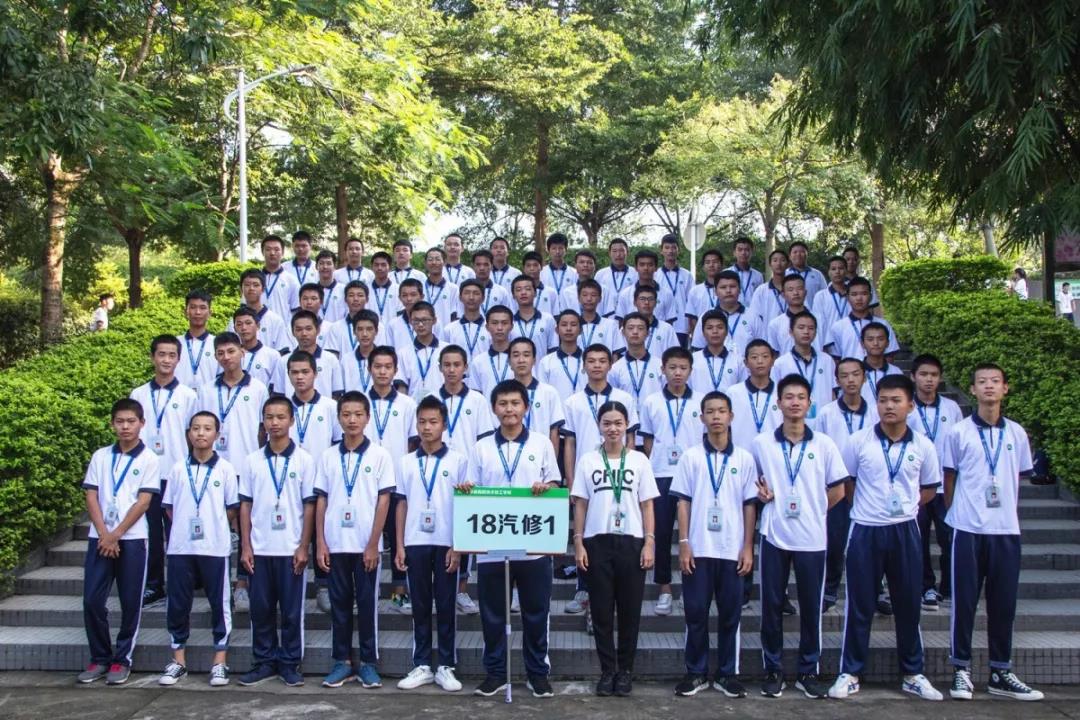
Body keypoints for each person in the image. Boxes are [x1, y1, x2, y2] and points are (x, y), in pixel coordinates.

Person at [828, 375, 943, 701]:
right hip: (865, 529)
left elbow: (928, 490)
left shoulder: (923, 445)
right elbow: (847, 484)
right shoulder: (858, 441)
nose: (889, 406)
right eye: (883, 401)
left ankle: (913, 673)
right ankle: (851, 672)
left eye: (896, 400)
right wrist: (871, 508)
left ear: (910, 405)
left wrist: (903, 508)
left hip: (905, 530)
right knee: (860, 604)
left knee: (908, 604)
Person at [944, 364, 1044, 701]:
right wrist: (957, 513)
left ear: (1005, 388)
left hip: (1005, 530)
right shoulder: (958, 432)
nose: (989, 386)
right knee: (964, 603)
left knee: (1003, 604)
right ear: (972, 389)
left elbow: (1019, 477)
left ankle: (1001, 671)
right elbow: (949, 478)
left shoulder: (1016, 433)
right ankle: (960, 669)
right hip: (968, 528)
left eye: (995, 381)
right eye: (982, 382)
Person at [462, 379, 562, 698]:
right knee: (493, 615)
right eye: (503, 403)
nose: (509, 409)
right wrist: (467, 489)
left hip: (533, 547)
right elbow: (471, 487)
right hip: (492, 547)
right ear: (494, 408)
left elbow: (555, 481)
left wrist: (547, 487)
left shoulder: (541, 443)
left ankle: (537, 674)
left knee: (536, 613)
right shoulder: (481, 447)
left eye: (515, 403)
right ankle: (495, 673)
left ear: (526, 407)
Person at [753, 374, 847, 699]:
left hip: (812, 538)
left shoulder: (824, 444)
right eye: (789, 397)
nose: (795, 402)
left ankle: (808, 670)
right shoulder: (762, 443)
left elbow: (838, 489)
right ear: (778, 403)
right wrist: (762, 495)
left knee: (810, 606)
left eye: (801, 397)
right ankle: (773, 669)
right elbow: (754, 484)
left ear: (810, 403)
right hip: (774, 534)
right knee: (771, 605)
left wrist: (815, 509)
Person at [671, 391, 757, 698]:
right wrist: (684, 543)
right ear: (702, 417)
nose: (716, 416)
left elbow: (749, 505)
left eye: (722, 411)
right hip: (699, 548)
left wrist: (747, 546)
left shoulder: (744, 458)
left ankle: (727, 674)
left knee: (731, 614)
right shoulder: (691, 457)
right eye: (710, 411)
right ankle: (696, 672)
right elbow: (683, 502)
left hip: (732, 549)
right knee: (695, 612)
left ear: (731, 416)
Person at [572, 401, 658, 697]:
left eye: (618, 423)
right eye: (607, 423)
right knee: (601, 611)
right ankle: (607, 671)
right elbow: (581, 504)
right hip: (597, 541)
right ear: (599, 426)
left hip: (631, 541)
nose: (612, 429)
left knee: (630, 611)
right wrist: (578, 541)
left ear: (627, 425)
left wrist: (649, 541)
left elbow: (647, 505)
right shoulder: (588, 461)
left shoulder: (639, 460)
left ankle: (626, 671)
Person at [76, 398, 161, 686]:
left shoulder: (149, 459)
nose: (125, 427)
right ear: (112, 424)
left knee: (130, 601)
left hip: (133, 539)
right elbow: (91, 495)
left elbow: (144, 502)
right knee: (92, 600)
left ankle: (122, 659)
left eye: (131, 421)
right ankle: (100, 657)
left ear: (142, 424)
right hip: (99, 539)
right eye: (120, 421)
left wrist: (116, 534)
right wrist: (104, 533)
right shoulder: (101, 456)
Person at [314, 391, 396, 689]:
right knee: (339, 605)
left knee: (367, 604)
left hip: (365, 545)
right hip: (336, 543)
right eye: (346, 414)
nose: (352, 420)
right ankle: (342, 662)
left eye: (358, 414)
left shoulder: (380, 455)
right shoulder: (327, 456)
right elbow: (321, 500)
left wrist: (373, 543)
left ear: (367, 417)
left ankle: (369, 663)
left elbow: (383, 501)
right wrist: (321, 542)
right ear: (338, 418)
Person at [237, 397, 316, 688]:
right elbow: (245, 505)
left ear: (291, 420)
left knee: (292, 612)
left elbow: (309, 506)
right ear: (263, 421)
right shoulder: (252, 460)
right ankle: (264, 661)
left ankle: (290, 662)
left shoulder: (305, 460)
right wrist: (246, 546)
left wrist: (303, 546)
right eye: (269, 417)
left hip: (290, 548)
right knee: (261, 610)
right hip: (260, 548)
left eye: (281, 417)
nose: (275, 423)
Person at [157, 411, 238, 687]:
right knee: (178, 604)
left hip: (215, 548)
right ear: (188, 433)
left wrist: (213, 526)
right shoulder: (178, 469)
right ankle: (178, 661)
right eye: (196, 428)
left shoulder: (225, 469)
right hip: (181, 548)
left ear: (217, 434)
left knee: (220, 604)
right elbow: (169, 508)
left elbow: (231, 508)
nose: (201, 433)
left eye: (207, 428)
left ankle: (220, 661)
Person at [394, 396, 468, 692]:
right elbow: (401, 504)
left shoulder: (458, 460)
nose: (427, 427)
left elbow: (464, 505)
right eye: (422, 422)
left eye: (433, 422)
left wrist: (458, 545)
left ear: (444, 425)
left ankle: (446, 665)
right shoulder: (405, 462)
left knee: (447, 604)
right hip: (415, 541)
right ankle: (422, 664)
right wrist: (400, 545)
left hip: (446, 541)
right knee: (420, 604)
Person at [561, 344, 640, 616]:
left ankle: (615, 595)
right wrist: (571, 480)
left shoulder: (623, 398)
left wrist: (631, 470)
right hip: (588, 475)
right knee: (586, 534)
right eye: (591, 361)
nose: (596, 365)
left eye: (602, 361)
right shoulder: (573, 401)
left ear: (610, 365)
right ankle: (583, 590)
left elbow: (631, 438)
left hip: (619, 475)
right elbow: (570, 443)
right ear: (583, 366)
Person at [130, 335, 198, 607]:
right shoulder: (138, 394)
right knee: (151, 532)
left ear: (178, 360)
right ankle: (154, 584)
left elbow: (194, 437)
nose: (166, 360)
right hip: (146, 475)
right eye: (161, 354)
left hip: (177, 473)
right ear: (152, 357)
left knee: (177, 530)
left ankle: (181, 582)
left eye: (172, 355)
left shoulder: (188, 396)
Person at [638, 347, 702, 616]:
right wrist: (654, 467)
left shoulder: (700, 401)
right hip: (661, 475)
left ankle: (692, 588)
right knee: (662, 533)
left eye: (683, 368)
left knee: (693, 534)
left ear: (690, 371)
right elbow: (648, 440)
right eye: (672, 367)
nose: (677, 373)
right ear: (662, 369)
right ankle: (664, 588)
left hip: (693, 475)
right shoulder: (651, 402)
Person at [815, 358, 880, 612]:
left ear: (864, 377)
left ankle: (877, 590)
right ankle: (829, 590)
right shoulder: (827, 413)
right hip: (837, 485)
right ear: (837, 380)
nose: (850, 380)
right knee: (835, 540)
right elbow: (819, 447)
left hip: (869, 485)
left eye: (855, 374)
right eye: (844, 375)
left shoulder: (875, 411)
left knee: (872, 541)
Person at [434, 345, 489, 615]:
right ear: (440, 367)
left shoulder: (477, 400)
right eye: (447, 365)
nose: (452, 369)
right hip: (437, 471)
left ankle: (462, 590)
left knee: (465, 530)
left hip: (468, 474)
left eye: (457, 365)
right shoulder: (431, 398)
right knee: (440, 525)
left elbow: (484, 440)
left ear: (466, 367)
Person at [365, 346, 419, 613]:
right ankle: (368, 591)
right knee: (368, 537)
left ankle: (399, 594)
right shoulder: (360, 402)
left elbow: (412, 443)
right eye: (377, 366)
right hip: (365, 483)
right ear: (369, 369)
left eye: (388, 367)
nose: (383, 371)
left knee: (399, 538)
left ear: (396, 370)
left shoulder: (407, 404)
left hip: (397, 481)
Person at [907, 354, 963, 611]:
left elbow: (961, 444)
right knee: (918, 540)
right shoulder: (907, 408)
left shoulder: (951, 408)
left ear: (940, 378)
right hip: (916, 486)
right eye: (923, 374)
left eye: (934, 375)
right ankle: (925, 587)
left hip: (945, 486)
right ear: (913, 377)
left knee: (948, 537)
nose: (928, 380)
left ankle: (949, 587)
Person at [770, 311, 834, 427]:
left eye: (811, 328)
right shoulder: (781, 363)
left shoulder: (827, 360)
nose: (806, 332)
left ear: (816, 332)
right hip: (793, 422)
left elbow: (833, 392)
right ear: (791, 332)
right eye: (801, 327)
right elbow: (775, 395)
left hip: (824, 420)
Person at [508, 337, 565, 448]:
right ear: (509, 361)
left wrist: (551, 457)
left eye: (526, 355)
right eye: (516, 355)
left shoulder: (549, 392)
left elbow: (554, 431)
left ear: (534, 360)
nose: (521, 360)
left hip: (540, 453)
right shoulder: (503, 394)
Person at [825, 278, 899, 360]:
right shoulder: (838, 327)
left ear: (870, 297)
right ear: (847, 298)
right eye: (854, 294)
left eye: (864, 294)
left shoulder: (883, 324)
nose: (859, 298)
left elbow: (889, 356)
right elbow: (835, 359)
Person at [727, 340, 782, 450]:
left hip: (773, 454)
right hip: (741, 453)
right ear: (746, 362)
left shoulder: (781, 392)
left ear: (773, 361)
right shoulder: (733, 392)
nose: (760, 361)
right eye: (754, 357)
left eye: (765, 356)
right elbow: (726, 428)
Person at [690, 270, 761, 355]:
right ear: (715, 292)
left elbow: (762, 348)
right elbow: (698, 349)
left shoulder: (752, 316)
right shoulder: (706, 316)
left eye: (732, 286)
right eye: (723, 287)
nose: (728, 291)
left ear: (739, 290)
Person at [282, 311, 344, 399]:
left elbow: (337, 394)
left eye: (308, 329)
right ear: (293, 332)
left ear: (318, 330)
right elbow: (279, 395)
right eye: (299, 329)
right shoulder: (283, 361)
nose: (304, 333)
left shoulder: (331, 359)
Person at [610, 312, 665, 406]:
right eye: (630, 328)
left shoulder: (659, 365)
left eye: (640, 328)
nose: (635, 332)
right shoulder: (615, 368)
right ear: (623, 332)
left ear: (648, 333)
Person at [231, 269, 290, 351]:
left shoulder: (276, 320)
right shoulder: (234, 321)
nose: (251, 288)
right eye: (247, 285)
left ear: (263, 289)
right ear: (241, 289)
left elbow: (282, 352)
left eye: (256, 285)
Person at [396, 301, 445, 400]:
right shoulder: (403, 353)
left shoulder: (446, 350)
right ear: (410, 321)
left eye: (425, 320)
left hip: (442, 404)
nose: (420, 324)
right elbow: (402, 386)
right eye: (416, 320)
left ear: (434, 320)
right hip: (414, 406)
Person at [615, 250, 676, 327]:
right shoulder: (625, 294)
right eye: (642, 264)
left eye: (650, 265)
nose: (646, 268)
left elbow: (669, 324)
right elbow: (621, 323)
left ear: (656, 268)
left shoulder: (667, 294)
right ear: (636, 268)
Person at [766, 275, 823, 355]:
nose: (795, 293)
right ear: (783, 295)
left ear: (805, 292)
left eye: (799, 289)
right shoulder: (775, 324)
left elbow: (826, 348)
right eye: (790, 290)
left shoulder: (820, 319)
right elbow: (774, 354)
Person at [689, 309, 743, 394]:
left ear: (726, 332)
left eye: (720, 327)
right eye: (709, 328)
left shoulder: (738, 361)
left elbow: (742, 390)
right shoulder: (692, 360)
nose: (715, 331)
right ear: (703, 332)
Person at [233, 306, 284, 394]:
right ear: (234, 329)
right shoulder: (231, 356)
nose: (244, 328)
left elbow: (276, 387)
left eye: (248, 323)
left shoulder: (272, 355)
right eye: (239, 324)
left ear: (258, 326)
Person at [468, 305, 515, 398]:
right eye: (494, 323)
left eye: (504, 323)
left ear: (511, 326)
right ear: (487, 327)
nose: (499, 328)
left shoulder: (520, 359)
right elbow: (475, 396)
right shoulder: (478, 361)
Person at [537, 310, 584, 399]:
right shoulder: (546, 362)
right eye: (564, 325)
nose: (568, 329)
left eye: (573, 325)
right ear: (556, 330)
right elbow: (542, 394)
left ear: (580, 330)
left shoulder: (589, 360)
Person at [176, 290, 218, 388]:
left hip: (210, 396)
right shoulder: (175, 344)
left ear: (210, 313)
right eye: (193, 307)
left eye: (202, 308)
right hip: (179, 396)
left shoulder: (217, 344)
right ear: (186, 312)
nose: (198, 312)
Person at [442, 279, 491, 357]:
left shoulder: (490, 329)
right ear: (460, 297)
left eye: (476, 293)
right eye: (467, 293)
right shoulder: (449, 329)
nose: (471, 297)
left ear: (483, 298)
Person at [659, 233, 693, 344]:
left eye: (674, 247)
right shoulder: (655, 275)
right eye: (667, 247)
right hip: (660, 323)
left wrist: (691, 325)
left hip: (682, 325)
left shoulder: (687, 275)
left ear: (678, 250)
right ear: (661, 250)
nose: (670, 251)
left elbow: (691, 302)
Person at [685, 248, 725, 340]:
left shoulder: (728, 289)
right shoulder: (695, 291)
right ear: (703, 267)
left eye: (715, 262)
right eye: (707, 262)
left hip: (725, 337)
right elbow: (692, 319)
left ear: (722, 265)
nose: (711, 265)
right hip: (701, 338)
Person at [810, 256, 851, 345]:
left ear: (846, 271)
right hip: (829, 343)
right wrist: (823, 345)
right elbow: (819, 323)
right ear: (828, 272)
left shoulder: (853, 294)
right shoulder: (821, 296)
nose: (837, 272)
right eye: (833, 269)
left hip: (851, 339)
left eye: (841, 268)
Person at [509, 275, 556, 352]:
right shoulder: (510, 322)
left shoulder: (548, 319)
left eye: (527, 289)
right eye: (518, 290)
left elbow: (553, 348)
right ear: (513, 295)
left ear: (535, 293)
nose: (523, 293)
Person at [860, 322, 904, 404]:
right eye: (870, 339)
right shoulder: (856, 372)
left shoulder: (896, 372)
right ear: (862, 344)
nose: (875, 343)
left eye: (880, 339)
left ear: (887, 343)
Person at [260, 234, 300, 321]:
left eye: (276, 249)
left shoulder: (291, 280)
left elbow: (296, 310)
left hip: (283, 328)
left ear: (282, 253)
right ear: (262, 252)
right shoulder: (254, 279)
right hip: (257, 327)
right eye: (268, 249)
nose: (272, 253)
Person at [575, 279, 623, 352]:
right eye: (585, 295)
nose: (589, 299)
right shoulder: (573, 325)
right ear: (578, 298)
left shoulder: (611, 325)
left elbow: (616, 353)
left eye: (593, 295)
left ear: (600, 298)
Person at [632, 284, 680, 356]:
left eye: (651, 299)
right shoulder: (628, 328)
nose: (646, 303)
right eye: (642, 299)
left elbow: (675, 354)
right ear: (635, 303)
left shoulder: (667, 329)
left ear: (656, 303)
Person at [340, 310, 380, 394]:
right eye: (360, 329)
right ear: (354, 332)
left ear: (376, 331)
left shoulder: (384, 359)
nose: (365, 334)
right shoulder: (346, 360)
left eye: (369, 329)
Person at [595, 238, 639, 316]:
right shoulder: (600, 274)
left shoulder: (636, 273)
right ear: (609, 253)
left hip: (630, 317)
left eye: (621, 251)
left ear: (627, 252)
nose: (618, 254)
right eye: (614, 251)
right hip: (606, 317)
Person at [422, 247, 461, 330]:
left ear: (444, 262)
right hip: (422, 331)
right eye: (430, 259)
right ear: (425, 263)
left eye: (438, 259)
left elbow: (455, 315)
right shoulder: (420, 287)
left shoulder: (453, 289)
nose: (434, 262)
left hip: (445, 333)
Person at [749, 250, 790, 327]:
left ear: (788, 264)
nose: (778, 263)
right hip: (767, 332)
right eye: (775, 260)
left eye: (782, 260)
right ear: (770, 264)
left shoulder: (793, 289)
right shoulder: (761, 290)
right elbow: (754, 315)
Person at [386, 278, 425, 350]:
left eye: (413, 295)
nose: (409, 299)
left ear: (422, 297)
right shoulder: (393, 324)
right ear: (399, 298)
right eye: (404, 295)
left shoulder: (432, 323)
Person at [519, 250, 560, 317]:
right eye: (528, 265)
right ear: (524, 268)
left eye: (535, 265)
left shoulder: (551, 292)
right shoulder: (519, 293)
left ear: (541, 267)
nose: (532, 268)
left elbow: (556, 316)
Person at [559, 249, 599, 315]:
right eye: (582, 262)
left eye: (589, 262)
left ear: (594, 266)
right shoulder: (567, 292)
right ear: (575, 266)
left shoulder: (604, 291)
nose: (585, 265)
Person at [314, 250, 348, 322]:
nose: (325, 267)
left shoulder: (344, 290)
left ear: (335, 266)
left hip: (338, 329)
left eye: (329, 263)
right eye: (321, 263)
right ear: (316, 266)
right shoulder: (312, 290)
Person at [728, 236, 763, 307]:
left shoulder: (758, 275)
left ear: (752, 252)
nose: (743, 253)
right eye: (740, 250)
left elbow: (760, 297)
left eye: (747, 250)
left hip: (753, 311)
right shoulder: (726, 273)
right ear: (734, 253)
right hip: (732, 310)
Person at [367, 251, 400, 326]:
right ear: (371, 267)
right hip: (370, 330)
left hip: (393, 330)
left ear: (390, 267)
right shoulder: (365, 290)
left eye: (383, 265)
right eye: (376, 265)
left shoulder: (398, 289)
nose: (379, 268)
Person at [541, 232, 578, 297]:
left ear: (566, 250)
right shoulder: (542, 272)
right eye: (554, 248)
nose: (557, 252)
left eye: (560, 248)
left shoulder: (574, 273)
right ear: (548, 250)